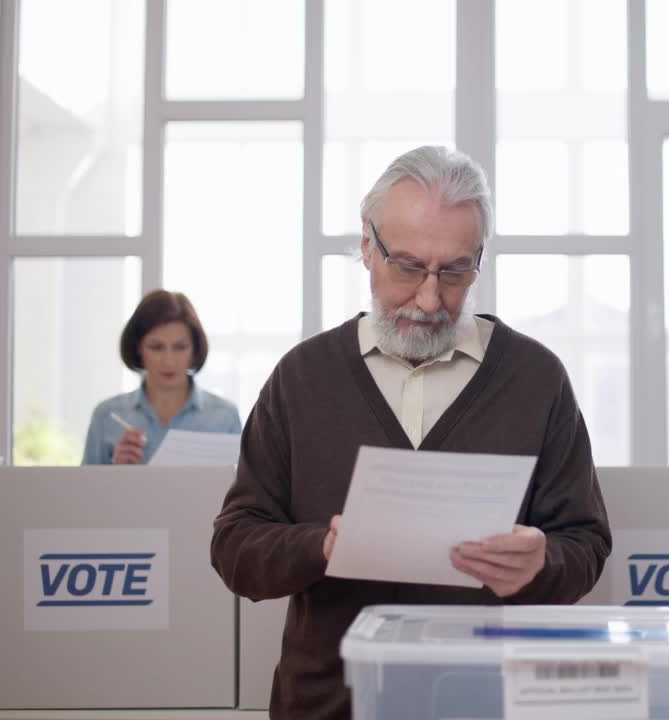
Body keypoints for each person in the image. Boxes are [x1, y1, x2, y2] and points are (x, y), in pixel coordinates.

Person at [210, 146, 611, 718]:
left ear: (480, 258)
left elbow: (587, 545)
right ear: (367, 246)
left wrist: (542, 563)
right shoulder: (302, 378)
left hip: (487, 703)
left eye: (455, 271)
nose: (429, 297)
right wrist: (323, 545)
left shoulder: (536, 379)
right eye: (407, 266)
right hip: (328, 703)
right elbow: (234, 547)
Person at [82, 289, 241, 465]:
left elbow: (242, 489)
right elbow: (85, 491)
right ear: (138, 348)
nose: (169, 361)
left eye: (180, 347)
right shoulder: (107, 415)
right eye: (156, 347)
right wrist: (117, 472)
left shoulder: (225, 417)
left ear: (194, 350)